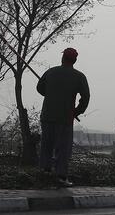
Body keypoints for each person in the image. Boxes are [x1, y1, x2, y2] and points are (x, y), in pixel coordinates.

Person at [37, 47, 90, 186]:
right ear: (75, 60)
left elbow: (39, 88)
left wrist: (50, 93)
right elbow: (86, 97)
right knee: (63, 149)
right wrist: (77, 111)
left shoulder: (51, 72)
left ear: (62, 58)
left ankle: (45, 172)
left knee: (46, 145)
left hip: (47, 115)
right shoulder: (79, 76)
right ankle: (60, 177)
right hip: (65, 119)